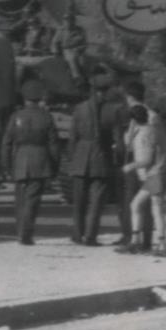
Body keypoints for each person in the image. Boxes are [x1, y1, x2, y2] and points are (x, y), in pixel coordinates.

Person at [2, 79, 60, 245]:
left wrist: (7, 165)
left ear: (24, 98)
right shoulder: (46, 117)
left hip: (20, 159)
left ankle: (20, 230)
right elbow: (53, 145)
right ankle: (26, 233)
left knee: (20, 199)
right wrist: (54, 167)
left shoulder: (16, 116)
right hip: (40, 160)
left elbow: (6, 143)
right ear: (40, 97)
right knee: (32, 200)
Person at [66, 67, 119, 245]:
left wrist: (72, 159)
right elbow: (117, 141)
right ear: (107, 90)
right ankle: (90, 236)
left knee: (79, 201)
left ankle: (77, 234)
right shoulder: (113, 110)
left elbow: (73, 137)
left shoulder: (79, 109)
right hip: (101, 159)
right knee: (97, 202)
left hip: (81, 157)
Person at [118, 103, 166, 256]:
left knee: (138, 205)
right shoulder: (153, 129)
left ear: (133, 120)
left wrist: (130, 166)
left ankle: (137, 241)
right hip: (160, 173)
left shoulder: (144, 134)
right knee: (155, 208)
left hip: (154, 175)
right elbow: (129, 143)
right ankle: (160, 243)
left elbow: (146, 159)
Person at [112, 81, 155, 250]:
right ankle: (142, 240)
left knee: (133, 202)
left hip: (136, 163)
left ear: (129, 97)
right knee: (142, 204)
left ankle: (134, 239)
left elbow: (128, 142)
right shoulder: (151, 114)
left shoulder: (136, 114)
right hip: (139, 162)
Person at [50, 11, 87, 85]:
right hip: (66, 50)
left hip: (78, 49)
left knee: (83, 62)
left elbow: (82, 40)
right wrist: (55, 51)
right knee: (71, 58)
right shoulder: (61, 30)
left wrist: (79, 48)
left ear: (73, 20)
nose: (68, 22)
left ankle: (87, 79)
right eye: (66, 20)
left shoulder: (79, 29)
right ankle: (77, 77)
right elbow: (54, 42)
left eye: (70, 20)